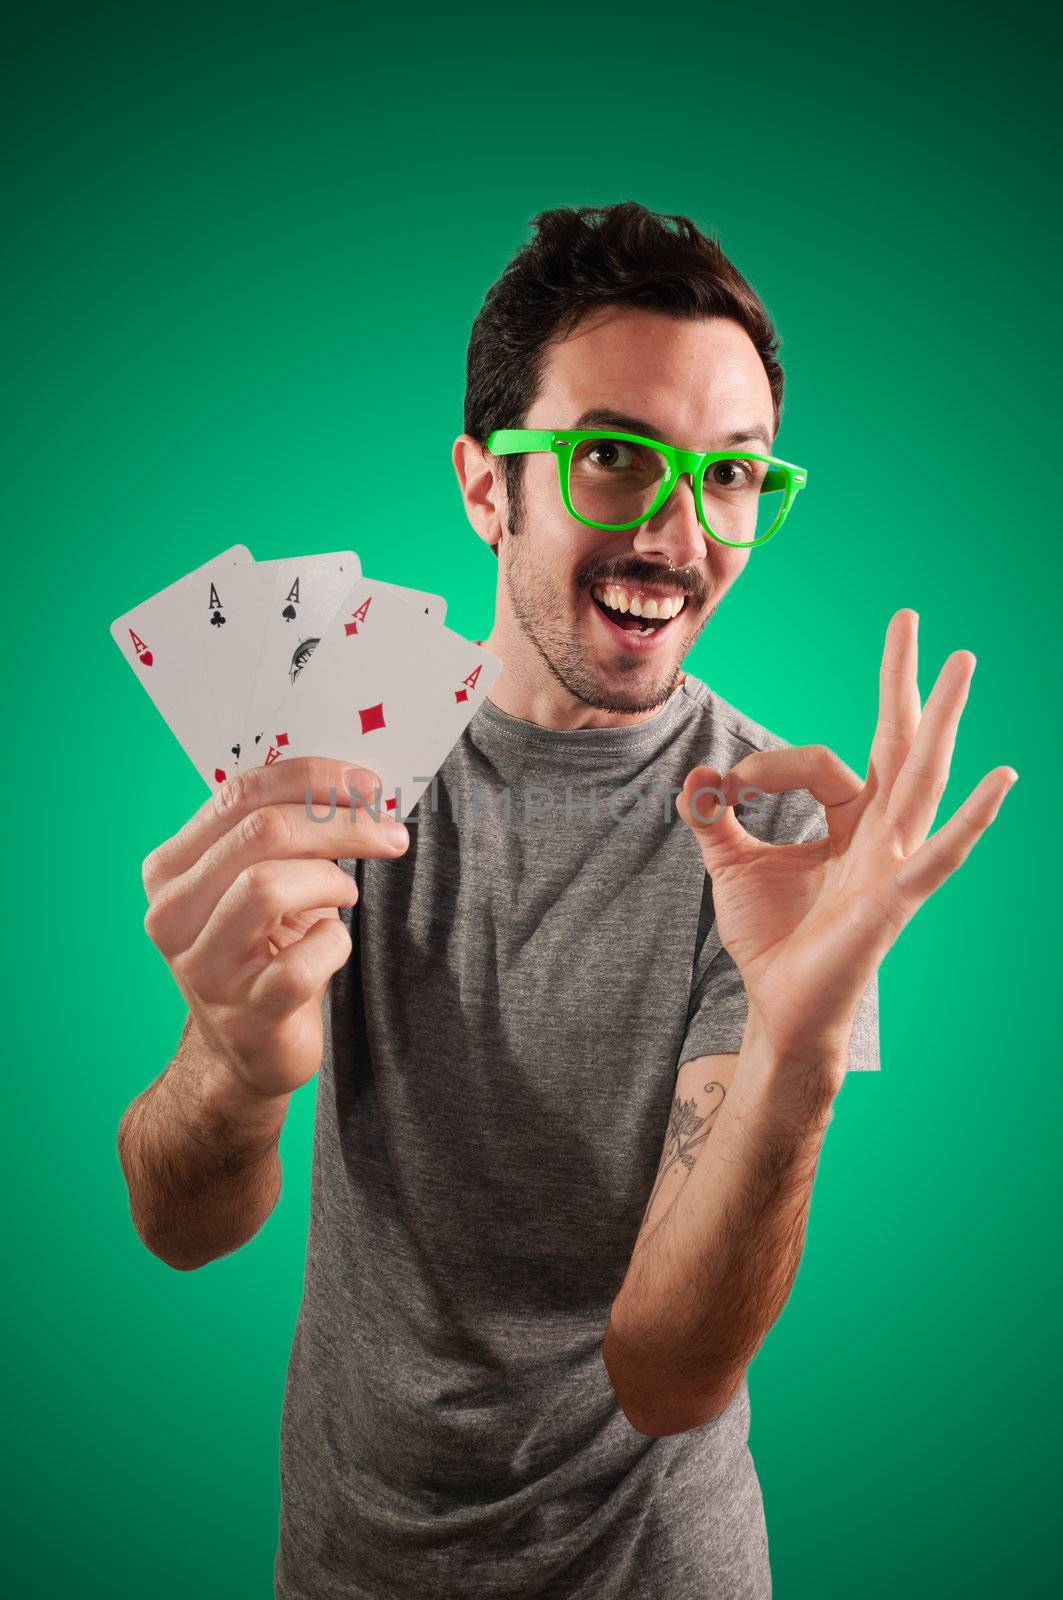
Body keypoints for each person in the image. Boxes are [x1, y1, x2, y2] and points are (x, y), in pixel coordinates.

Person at [117, 201, 1016, 1599]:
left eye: (732, 478)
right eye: (613, 457)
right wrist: (228, 1065)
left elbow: (667, 1377)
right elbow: (184, 1226)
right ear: (489, 486)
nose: (677, 532)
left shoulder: (777, 836)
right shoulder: (335, 766)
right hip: (347, 1555)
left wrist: (799, 1055)